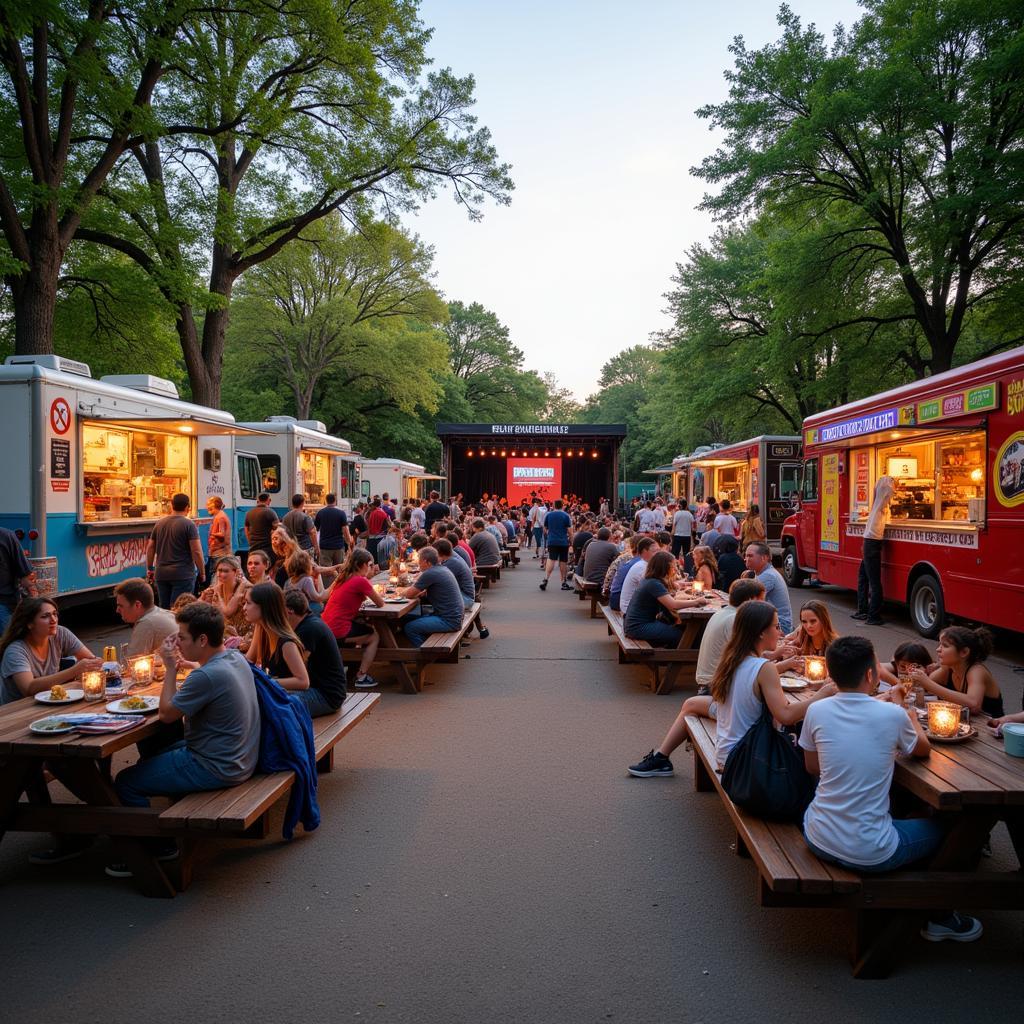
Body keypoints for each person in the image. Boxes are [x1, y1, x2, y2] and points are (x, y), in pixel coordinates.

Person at [799, 635, 983, 942]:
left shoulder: (817, 711)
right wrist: (907, 712)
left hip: (817, 833)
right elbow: (922, 750)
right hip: (871, 851)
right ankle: (939, 915)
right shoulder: (891, 714)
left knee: (903, 809)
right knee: (959, 831)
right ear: (871, 674)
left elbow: (812, 768)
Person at [110, 602, 260, 874]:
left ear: (203, 639)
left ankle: (158, 849)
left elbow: (167, 714)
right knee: (155, 750)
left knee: (125, 781)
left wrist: (169, 667)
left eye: (182, 637)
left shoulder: (205, 676)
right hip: (241, 756)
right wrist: (186, 662)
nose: (177, 642)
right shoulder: (233, 658)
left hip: (216, 765)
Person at [628, 578, 766, 776]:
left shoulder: (723, 613)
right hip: (720, 692)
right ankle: (662, 757)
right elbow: (752, 667)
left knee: (691, 705)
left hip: (711, 686)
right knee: (692, 706)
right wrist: (780, 658)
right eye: (763, 601)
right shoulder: (737, 621)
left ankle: (661, 757)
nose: (766, 606)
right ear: (752, 600)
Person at [678, 600, 836, 772]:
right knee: (808, 762)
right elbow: (786, 715)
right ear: (761, 632)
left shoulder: (732, 659)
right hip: (745, 758)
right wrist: (824, 693)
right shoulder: (763, 667)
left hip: (727, 752)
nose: (781, 632)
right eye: (776, 627)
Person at [0, 597, 103, 703]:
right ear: (29, 624)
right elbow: (29, 688)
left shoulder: (61, 633)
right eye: (45, 616)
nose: (53, 620)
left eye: (55, 614)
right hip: (17, 711)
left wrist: (93, 666)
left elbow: (91, 661)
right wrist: (75, 670)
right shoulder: (15, 651)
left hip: (51, 702)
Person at [911, 625, 1004, 718]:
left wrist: (926, 682)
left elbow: (974, 704)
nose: (938, 649)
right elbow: (929, 686)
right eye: (939, 644)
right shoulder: (949, 668)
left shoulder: (976, 671)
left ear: (964, 652)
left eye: (945, 646)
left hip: (991, 728)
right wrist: (923, 675)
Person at [321, 548, 383, 688]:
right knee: (374, 636)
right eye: (370, 565)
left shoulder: (343, 577)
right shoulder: (360, 581)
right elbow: (380, 603)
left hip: (326, 627)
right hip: (338, 629)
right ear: (364, 565)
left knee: (362, 625)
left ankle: (353, 669)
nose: (371, 568)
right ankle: (361, 676)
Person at [623, 551, 708, 648]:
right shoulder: (654, 583)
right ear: (664, 568)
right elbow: (673, 605)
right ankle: (676, 659)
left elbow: (670, 590)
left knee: (683, 631)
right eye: (673, 566)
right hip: (638, 627)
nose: (675, 570)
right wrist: (697, 601)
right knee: (683, 636)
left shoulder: (651, 580)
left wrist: (682, 586)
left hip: (634, 624)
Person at [283, 590, 348, 716]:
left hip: (326, 697)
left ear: (289, 611)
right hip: (328, 691)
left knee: (274, 703)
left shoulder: (308, 629)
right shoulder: (310, 622)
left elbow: (294, 669)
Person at [243, 582, 309, 690]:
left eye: (248, 603)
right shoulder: (261, 629)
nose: (244, 608)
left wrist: (265, 681)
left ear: (264, 607)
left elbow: (303, 682)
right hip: (274, 694)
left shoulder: (286, 643)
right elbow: (249, 660)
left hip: (287, 699)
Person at [146, 493, 205, 608]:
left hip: (161, 574)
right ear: (188, 507)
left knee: (164, 609)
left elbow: (150, 547)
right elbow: (196, 551)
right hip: (183, 574)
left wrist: (150, 568)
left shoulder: (159, 524)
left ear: (171, 505)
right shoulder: (189, 524)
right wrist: (202, 572)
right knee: (180, 609)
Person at [400, 546, 464, 647]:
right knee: (406, 618)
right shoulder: (443, 568)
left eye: (419, 561)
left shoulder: (430, 573)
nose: (418, 564)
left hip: (448, 621)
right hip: (455, 616)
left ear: (426, 562)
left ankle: (425, 654)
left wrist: (398, 592)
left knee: (410, 628)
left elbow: (408, 594)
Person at [853, 475, 894, 626]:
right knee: (875, 582)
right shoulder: (882, 507)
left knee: (863, 578)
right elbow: (887, 490)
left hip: (868, 542)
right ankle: (873, 616)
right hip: (873, 544)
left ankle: (862, 610)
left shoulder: (877, 505)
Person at [435, 538, 489, 639]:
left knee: (436, 599)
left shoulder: (451, 562)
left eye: (435, 554)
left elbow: (439, 581)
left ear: (440, 553)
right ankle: (479, 628)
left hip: (466, 598)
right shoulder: (454, 557)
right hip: (469, 594)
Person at [114, 578, 178, 657]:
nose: (117, 610)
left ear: (137, 605)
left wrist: (105, 665)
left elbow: (131, 663)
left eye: (121, 606)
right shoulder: (163, 613)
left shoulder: (147, 623)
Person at [775, 599, 839, 674]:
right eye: (804, 622)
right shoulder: (802, 634)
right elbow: (786, 644)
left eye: (813, 621)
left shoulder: (835, 644)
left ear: (823, 620)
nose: (808, 626)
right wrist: (790, 653)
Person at [744, 541, 793, 633]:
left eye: (750, 556)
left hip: (780, 625)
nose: (746, 559)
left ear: (764, 558)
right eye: (746, 555)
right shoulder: (761, 572)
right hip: (774, 621)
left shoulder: (768, 575)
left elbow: (749, 603)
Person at [198, 555, 251, 636]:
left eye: (225, 571)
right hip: (222, 632)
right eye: (219, 570)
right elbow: (197, 606)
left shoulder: (245, 589)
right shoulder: (214, 589)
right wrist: (203, 598)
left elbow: (227, 613)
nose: (220, 574)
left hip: (243, 634)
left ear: (236, 572)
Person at [620, 535, 670, 615]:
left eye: (658, 551)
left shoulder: (644, 564)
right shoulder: (642, 567)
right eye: (655, 551)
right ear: (644, 552)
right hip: (630, 611)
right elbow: (655, 589)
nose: (658, 554)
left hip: (632, 608)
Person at [0, 525, 36, 631]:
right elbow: (26, 576)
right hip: (4, 603)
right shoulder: (7, 536)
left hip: (4, 604)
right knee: (7, 643)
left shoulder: (6, 536)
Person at [284, 549, 333, 615]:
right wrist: (336, 581)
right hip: (301, 612)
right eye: (310, 560)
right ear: (306, 565)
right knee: (318, 606)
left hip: (291, 611)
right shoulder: (306, 580)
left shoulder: (289, 581)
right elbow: (320, 598)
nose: (312, 563)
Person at [539, 499, 573, 591]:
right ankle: (563, 582)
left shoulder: (549, 515)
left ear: (554, 505)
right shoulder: (566, 516)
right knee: (563, 561)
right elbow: (570, 531)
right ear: (562, 505)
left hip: (552, 541)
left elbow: (544, 529)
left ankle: (545, 579)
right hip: (563, 542)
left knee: (551, 559)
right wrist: (571, 541)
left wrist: (549, 534)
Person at [609, 536, 649, 612]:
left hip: (614, 597)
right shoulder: (640, 564)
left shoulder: (632, 560)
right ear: (644, 549)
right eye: (653, 550)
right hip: (619, 602)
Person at [314, 493, 351, 566]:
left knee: (326, 570)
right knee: (339, 569)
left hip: (325, 547)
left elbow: (315, 530)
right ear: (335, 501)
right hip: (338, 546)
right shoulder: (341, 513)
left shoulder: (320, 513)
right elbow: (345, 530)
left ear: (326, 501)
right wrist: (349, 543)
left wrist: (316, 546)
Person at [282, 493, 320, 560]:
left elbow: (283, 533)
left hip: (291, 549)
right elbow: (312, 533)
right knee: (307, 569)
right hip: (305, 549)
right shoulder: (305, 517)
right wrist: (316, 548)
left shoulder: (285, 517)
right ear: (303, 503)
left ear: (292, 503)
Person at [205, 496, 232, 582]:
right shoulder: (220, 515)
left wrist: (211, 533)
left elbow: (222, 534)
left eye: (208, 504)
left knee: (215, 577)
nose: (206, 507)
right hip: (219, 552)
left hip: (219, 553)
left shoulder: (220, 517)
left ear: (214, 505)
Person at [244, 492, 279, 559]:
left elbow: (246, 529)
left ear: (258, 501)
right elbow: (277, 529)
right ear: (269, 500)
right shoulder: (271, 512)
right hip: (267, 548)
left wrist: (250, 542)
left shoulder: (249, 513)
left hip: (253, 547)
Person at [364, 498, 391, 563]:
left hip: (370, 540)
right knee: (380, 561)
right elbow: (388, 526)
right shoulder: (382, 513)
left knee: (371, 560)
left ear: (373, 505)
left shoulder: (368, 514)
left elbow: (366, 525)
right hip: (380, 539)